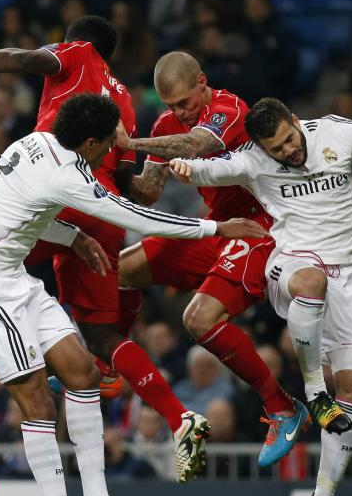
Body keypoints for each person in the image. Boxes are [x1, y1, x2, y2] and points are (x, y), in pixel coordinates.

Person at [0, 92, 267, 496]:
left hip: (13, 275)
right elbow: (139, 218)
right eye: (109, 146)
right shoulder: (70, 175)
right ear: (91, 142)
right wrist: (216, 228)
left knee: (82, 372)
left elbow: (16, 211)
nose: (113, 155)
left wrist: (72, 235)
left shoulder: (31, 142)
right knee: (36, 404)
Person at [0, 15, 213, 483]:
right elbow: (139, 191)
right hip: (102, 211)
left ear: (76, 41)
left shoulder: (76, 54)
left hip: (53, 197)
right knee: (104, 336)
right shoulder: (124, 102)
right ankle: (175, 416)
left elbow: (23, 59)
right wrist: (169, 154)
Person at [170, 92, 352, 496]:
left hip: (350, 278)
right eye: (278, 149)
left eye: (291, 140)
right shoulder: (252, 161)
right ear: (262, 148)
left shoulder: (335, 131)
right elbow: (200, 167)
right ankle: (314, 393)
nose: (290, 151)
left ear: (297, 121)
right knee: (311, 283)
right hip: (291, 265)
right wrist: (178, 165)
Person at [115, 51, 308, 467]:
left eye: (185, 102)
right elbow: (147, 191)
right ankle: (109, 364)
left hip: (261, 226)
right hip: (219, 227)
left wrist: (131, 142)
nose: (178, 113)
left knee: (198, 320)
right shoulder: (167, 125)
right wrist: (108, 164)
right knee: (120, 269)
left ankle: (282, 407)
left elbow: (197, 143)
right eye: (170, 106)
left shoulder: (229, 107)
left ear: (202, 82)